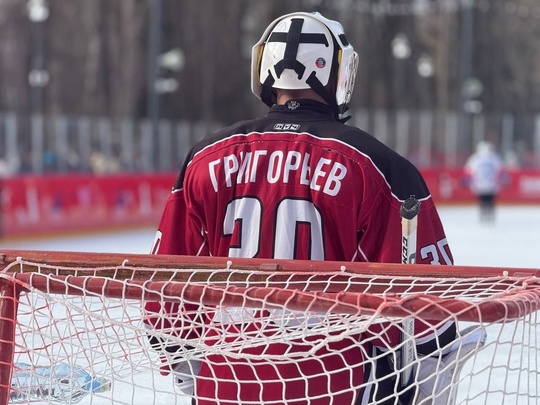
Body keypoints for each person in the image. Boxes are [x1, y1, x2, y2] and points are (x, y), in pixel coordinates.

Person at [144, 11, 464, 405]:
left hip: (225, 380)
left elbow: (163, 294)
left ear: (264, 69)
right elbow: (433, 309)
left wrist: (196, 381)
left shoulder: (204, 158)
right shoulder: (380, 167)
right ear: (338, 73)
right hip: (335, 382)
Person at [463, 141, 508, 222]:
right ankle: (490, 214)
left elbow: (468, 171)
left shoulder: (474, 158)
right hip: (492, 185)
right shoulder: (495, 158)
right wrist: (504, 179)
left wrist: (466, 181)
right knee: (490, 200)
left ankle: (483, 214)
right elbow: (501, 171)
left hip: (479, 185)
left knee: (482, 200)